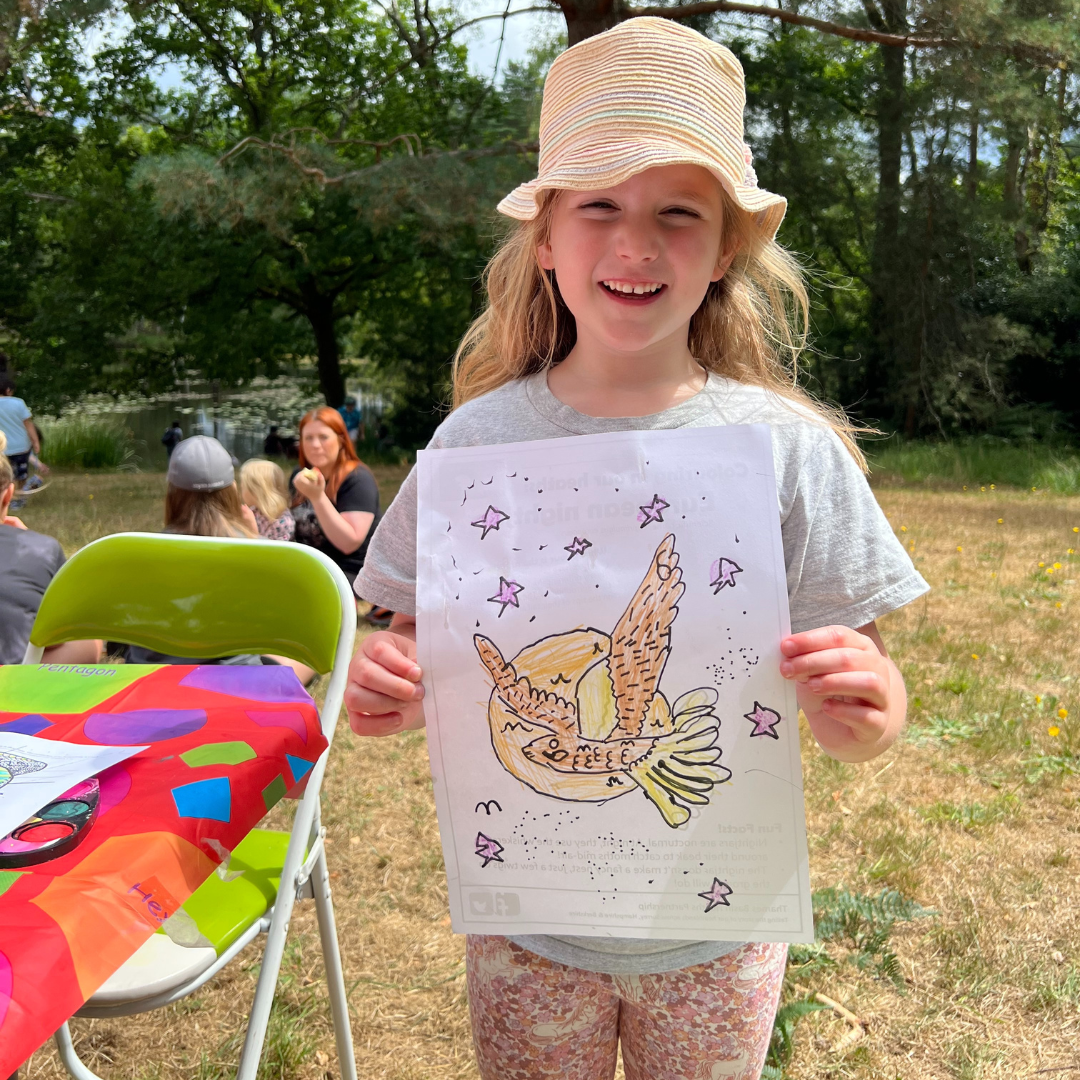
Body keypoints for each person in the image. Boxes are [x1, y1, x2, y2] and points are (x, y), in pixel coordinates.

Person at [343, 20, 929, 1080]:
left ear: (726, 247)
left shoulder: (785, 450)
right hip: (528, 927)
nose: (636, 243)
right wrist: (379, 682)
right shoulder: (474, 444)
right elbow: (403, 651)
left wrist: (869, 709)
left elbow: (863, 689)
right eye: (600, 206)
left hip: (716, 928)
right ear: (548, 237)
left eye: (678, 212)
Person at [123, 436, 314, 683]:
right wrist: (253, 538)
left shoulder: (136, 553)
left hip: (150, 679)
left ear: (171, 494)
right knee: (302, 658)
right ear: (232, 491)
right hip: (235, 681)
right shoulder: (264, 554)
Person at [0, 432, 102, 665]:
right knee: (87, 641)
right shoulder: (43, 550)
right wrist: (26, 543)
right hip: (11, 687)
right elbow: (62, 636)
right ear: (8, 495)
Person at [290, 407, 379, 585]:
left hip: (350, 573)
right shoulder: (299, 477)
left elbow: (349, 543)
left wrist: (317, 497)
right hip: (311, 566)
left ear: (341, 441)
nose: (315, 444)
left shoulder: (358, 480)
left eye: (323, 437)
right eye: (308, 438)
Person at [239, 458, 296, 541]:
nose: (241, 491)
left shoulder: (282, 522)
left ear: (256, 491)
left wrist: (252, 530)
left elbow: (273, 552)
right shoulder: (255, 511)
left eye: (243, 487)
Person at [0, 374, 39, 491]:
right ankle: (20, 495)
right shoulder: (19, 403)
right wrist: (35, 442)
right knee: (21, 475)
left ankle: (7, 495)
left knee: (5, 473)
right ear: (8, 390)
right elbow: (29, 425)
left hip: (3, 447)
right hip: (21, 446)